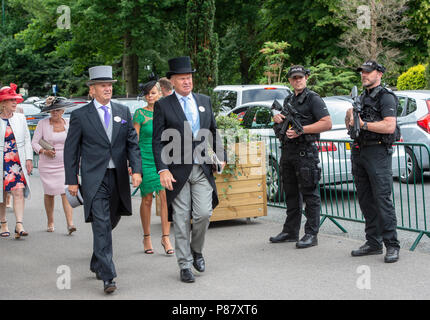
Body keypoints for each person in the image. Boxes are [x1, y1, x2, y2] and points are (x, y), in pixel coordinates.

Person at [64, 66, 142, 294]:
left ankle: (97, 259)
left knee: (112, 219)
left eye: (109, 85)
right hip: (93, 178)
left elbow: (132, 144)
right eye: (102, 85)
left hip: (117, 176)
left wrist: (136, 170)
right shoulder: (80, 116)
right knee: (101, 223)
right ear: (92, 90)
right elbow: (71, 150)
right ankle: (109, 276)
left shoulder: (123, 111)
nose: (108, 88)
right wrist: (72, 178)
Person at [152, 56, 226, 283]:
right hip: (177, 171)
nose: (187, 82)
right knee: (182, 218)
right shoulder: (163, 105)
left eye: (190, 78)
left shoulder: (204, 100)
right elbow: (157, 141)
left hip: (202, 167)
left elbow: (213, 131)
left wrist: (221, 156)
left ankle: (197, 250)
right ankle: (184, 265)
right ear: (172, 81)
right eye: (182, 78)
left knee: (204, 213)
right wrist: (162, 169)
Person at [270, 65, 332, 248]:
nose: (297, 80)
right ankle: (290, 231)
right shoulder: (289, 99)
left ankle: (311, 234)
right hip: (288, 151)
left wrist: (302, 130)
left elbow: (327, 123)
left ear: (306, 78)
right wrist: (278, 119)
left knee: (310, 194)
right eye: (294, 78)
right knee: (290, 193)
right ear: (289, 80)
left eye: (300, 77)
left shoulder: (313, 99)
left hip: (306, 151)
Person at [345, 60, 400, 263]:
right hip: (360, 151)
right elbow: (352, 127)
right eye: (362, 72)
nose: (364, 75)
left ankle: (392, 245)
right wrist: (350, 118)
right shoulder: (361, 97)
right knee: (365, 199)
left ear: (379, 74)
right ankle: (373, 243)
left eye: (368, 72)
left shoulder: (386, 97)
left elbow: (389, 127)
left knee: (382, 200)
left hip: (378, 151)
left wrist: (364, 124)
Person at [133, 81, 174, 255]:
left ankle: (166, 237)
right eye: (148, 93)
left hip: (163, 159)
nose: (150, 96)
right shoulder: (139, 114)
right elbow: (133, 141)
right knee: (148, 198)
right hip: (145, 160)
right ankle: (147, 236)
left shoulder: (165, 111)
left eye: (153, 93)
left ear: (160, 93)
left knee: (165, 196)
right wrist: (134, 165)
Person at [31, 97, 76, 234]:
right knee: (49, 194)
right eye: (52, 111)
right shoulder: (42, 123)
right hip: (47, 164)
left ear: (63, 111)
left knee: (65, 192)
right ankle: (50, 221)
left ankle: (70, 223)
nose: (54, 113)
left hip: (65, 163)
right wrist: (43, 151)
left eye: (57, 110)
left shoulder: (69, 123)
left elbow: (75, 142)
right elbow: (34, 142)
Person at [0, 84, 33, 239]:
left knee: (18, 191)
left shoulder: (20, 118)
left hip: (16, 162)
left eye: (15, 100)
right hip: (1, 162)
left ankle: (19, 224)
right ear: (3, 103)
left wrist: (28, 158)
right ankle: (3, 222)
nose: (15, 102)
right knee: (1, 195)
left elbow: (27, 139)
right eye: (11, 100)